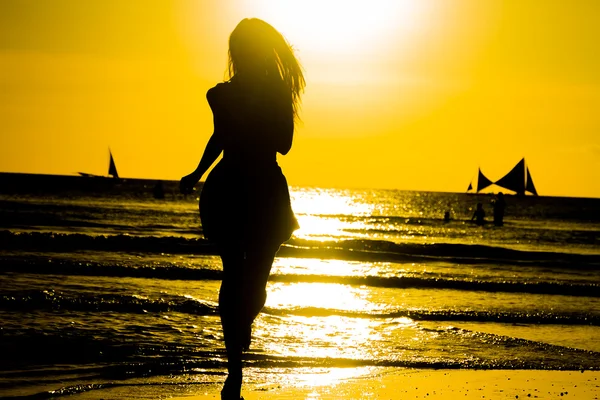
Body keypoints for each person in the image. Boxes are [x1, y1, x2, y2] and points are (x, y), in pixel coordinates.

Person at [179, 18, 304, 400]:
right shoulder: (221, 94)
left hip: (251, 187)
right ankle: (234, 372)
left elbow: (283, 143)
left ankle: (241, 325)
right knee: (239, 276)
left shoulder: (273, 93)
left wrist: (261, 112)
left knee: (250, 284)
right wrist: (197, 172)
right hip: (246, 187)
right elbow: (220, 137)